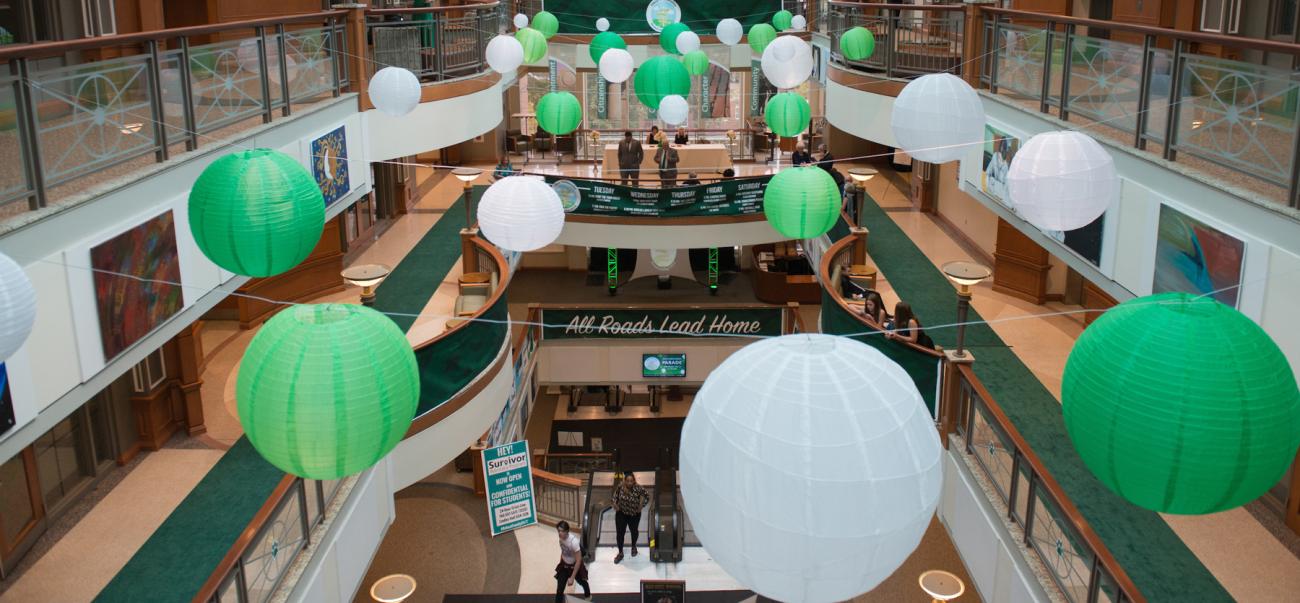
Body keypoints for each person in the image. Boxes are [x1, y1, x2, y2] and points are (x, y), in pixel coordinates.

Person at [612, 473, 650, 563]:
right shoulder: (620, 487)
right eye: (627, 481)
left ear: (634, 481)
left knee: (634, 531)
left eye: (631, 481)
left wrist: (641, 506)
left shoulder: (639, 488)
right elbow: (614, 497)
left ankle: (633, 547)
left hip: (634, 514)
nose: (629, 483)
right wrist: (615, 504)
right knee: (620, 533)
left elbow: (647, 497)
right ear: (625, 481)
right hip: (621, 513)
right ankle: (620, 552)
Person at [554, 521, 590, 602]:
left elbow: (578, 560)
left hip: (574, 566)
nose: (559, 533)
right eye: (558, 531)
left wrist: (572, 577)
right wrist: (561, 562)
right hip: (564, 565)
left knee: (583, 582)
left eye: (562, 531)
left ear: (567, 531)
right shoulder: (561, 538)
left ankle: (588, 596)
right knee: (559, 590)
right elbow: (563, 551)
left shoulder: (574, 542)